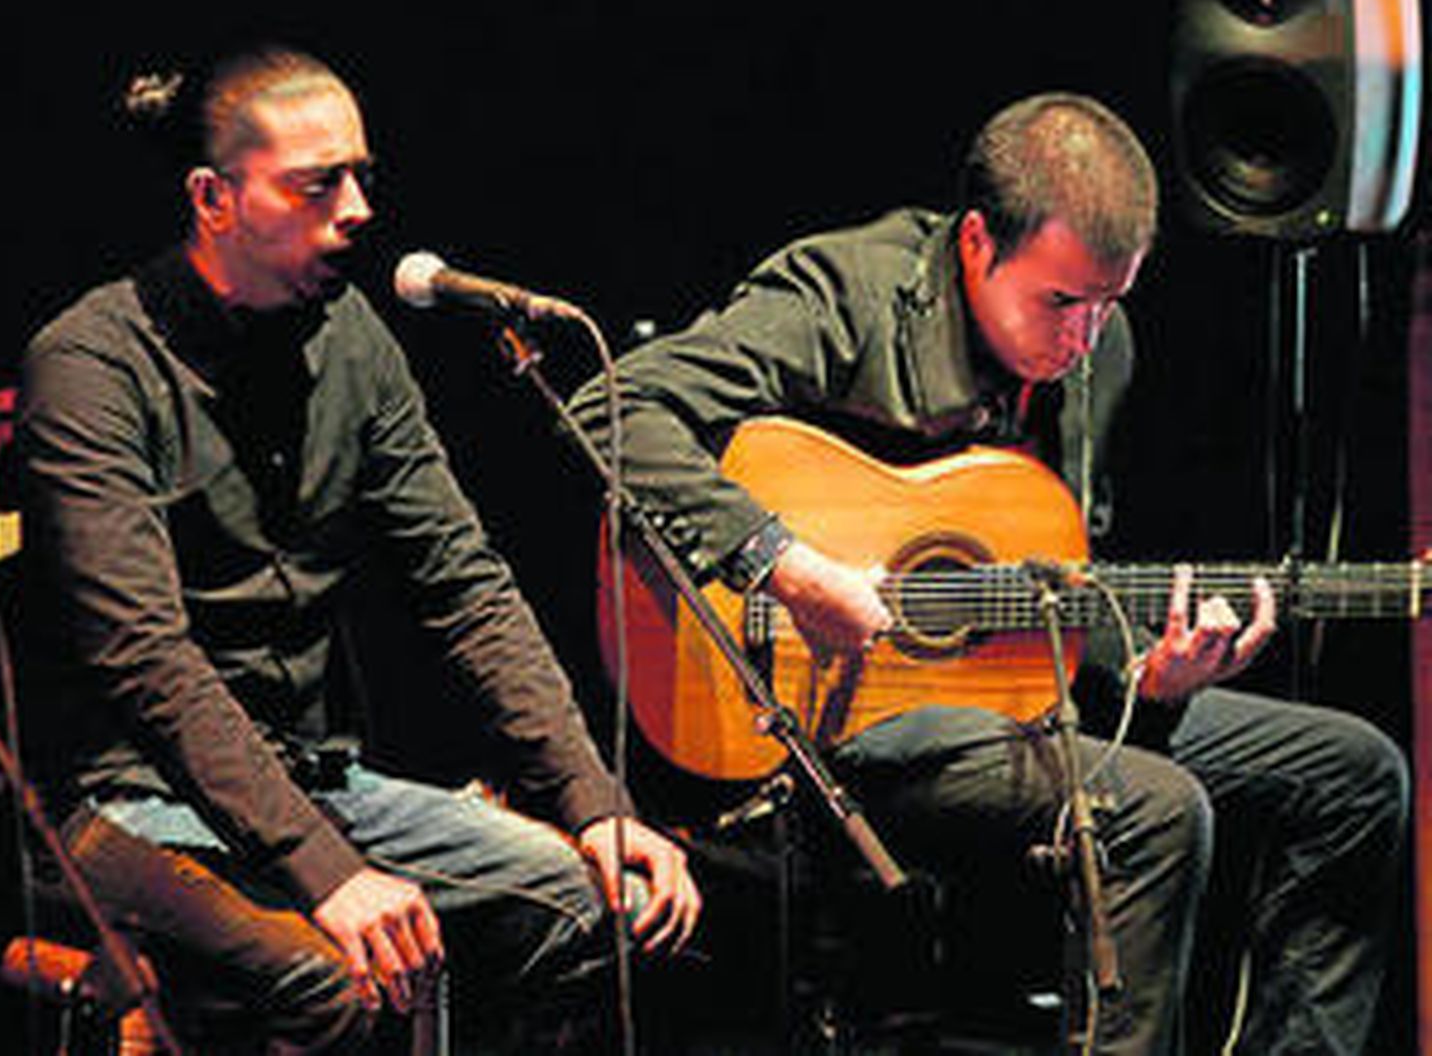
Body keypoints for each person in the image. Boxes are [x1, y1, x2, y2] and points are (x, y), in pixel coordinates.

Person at [567, 92, 1407, 1054]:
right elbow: (614, 411)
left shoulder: (1102, 355)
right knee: (1155, 807)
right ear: (975, 242)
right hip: (834, 715)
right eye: (1060, 302)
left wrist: (1155, 684)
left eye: (1109, 304)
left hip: (1008, 698)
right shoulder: (850, 294)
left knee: (1352, 774)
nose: (1085, 339)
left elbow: (1049, 607)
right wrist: (786, 565)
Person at [14, 44, 700, 1053]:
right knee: (333, 983)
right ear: (213, 197)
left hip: (311, 778)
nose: (358, 208)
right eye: (316, 183)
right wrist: (327, 869)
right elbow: (146, 662)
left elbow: (464, 585)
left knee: (590, 901)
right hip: (130, 795)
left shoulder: (353, 338)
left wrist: (593, 802)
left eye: (362, 176)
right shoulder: (90, 364)